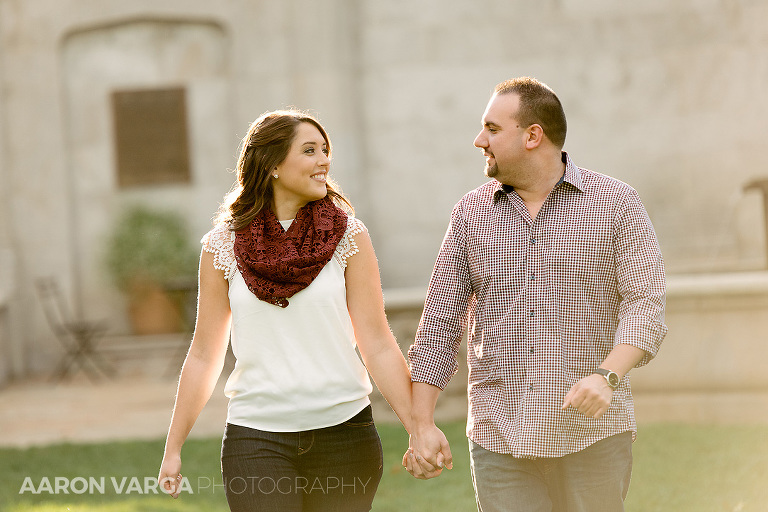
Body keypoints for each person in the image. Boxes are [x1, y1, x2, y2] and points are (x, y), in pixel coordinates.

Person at [405, 77, 668, 512]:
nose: (478, 140)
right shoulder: (470, 214)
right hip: (500, 439)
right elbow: (439, 322)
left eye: (491, 128)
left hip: (594, 435)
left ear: (532, 135)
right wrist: (422, 423)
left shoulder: (616, 203)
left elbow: (645, 301)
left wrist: (608, 375)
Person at [158, 109, 412, 512]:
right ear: (273, 164)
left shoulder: (350, 236)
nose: (324, 160)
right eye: (309, 151)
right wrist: (173, 447)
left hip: (345, 436)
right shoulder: (221, 246)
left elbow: (377, 342)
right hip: (256, 437)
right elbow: (205, 354)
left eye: (325, 150)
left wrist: (418, 427)